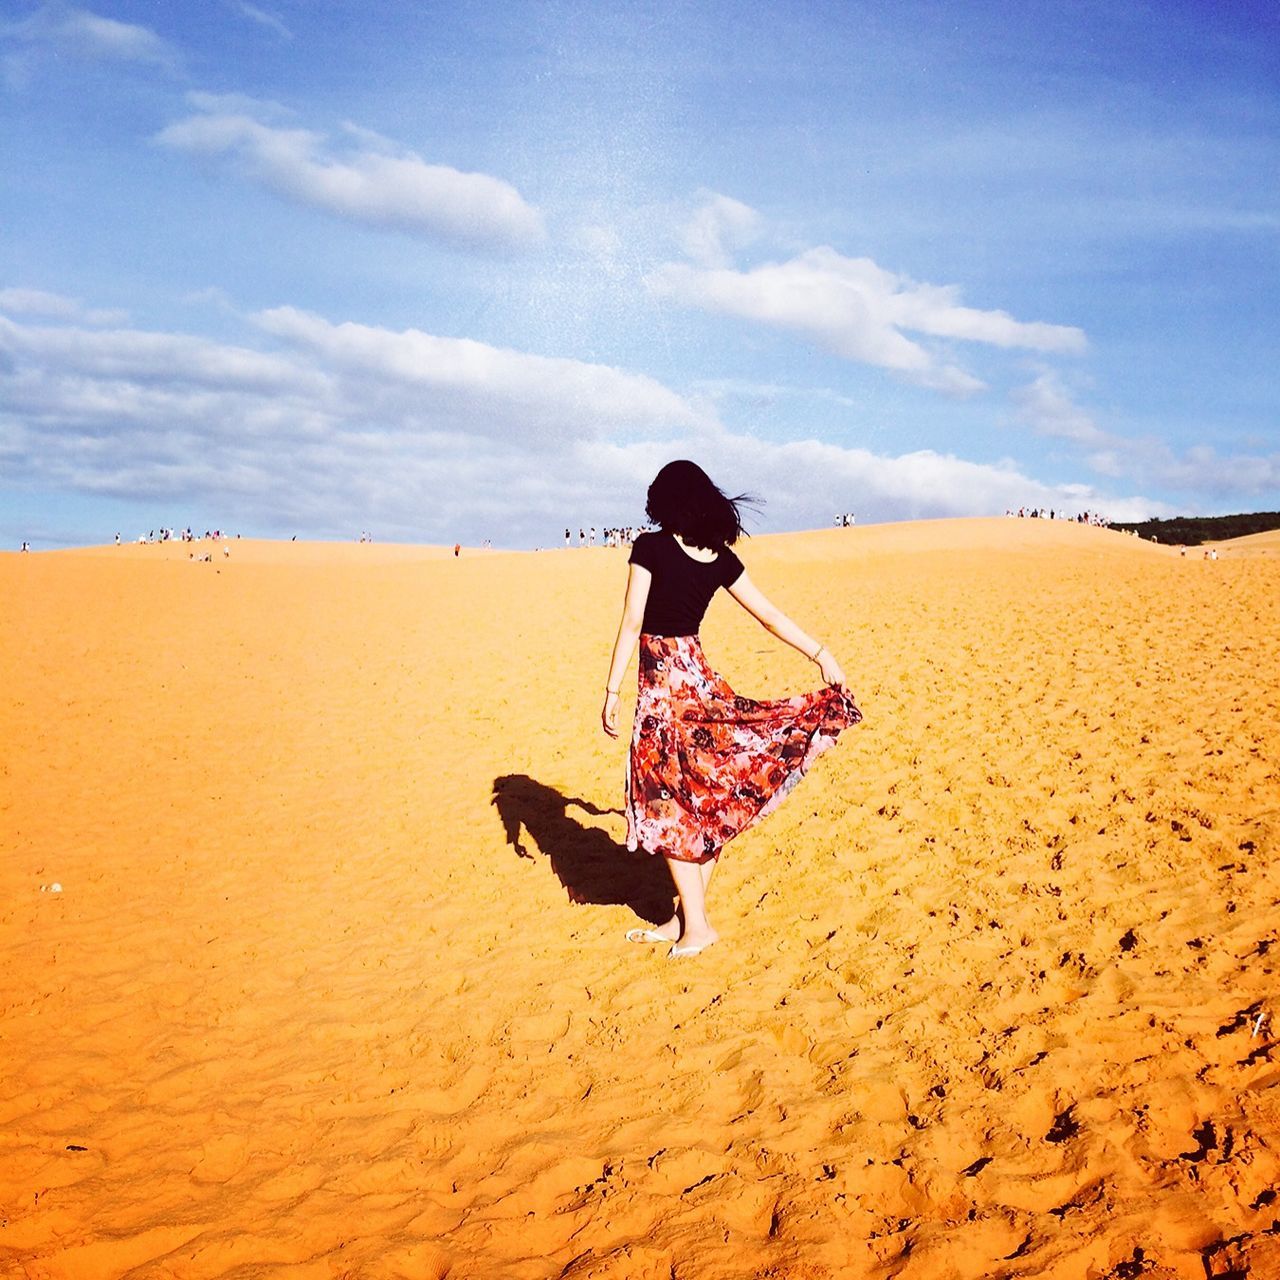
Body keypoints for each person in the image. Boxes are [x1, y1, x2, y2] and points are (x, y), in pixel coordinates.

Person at [602, 460, 862, 959]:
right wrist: (821, 653)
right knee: (708, 798)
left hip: (663, 692)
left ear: (666, 500)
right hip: (697, 680)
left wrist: (612, 691)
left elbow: (633, 621)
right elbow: (770, 617)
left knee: (667, 800)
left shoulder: (650, 547)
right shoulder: (718, 557)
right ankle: (681, 916)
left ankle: (697, 927)